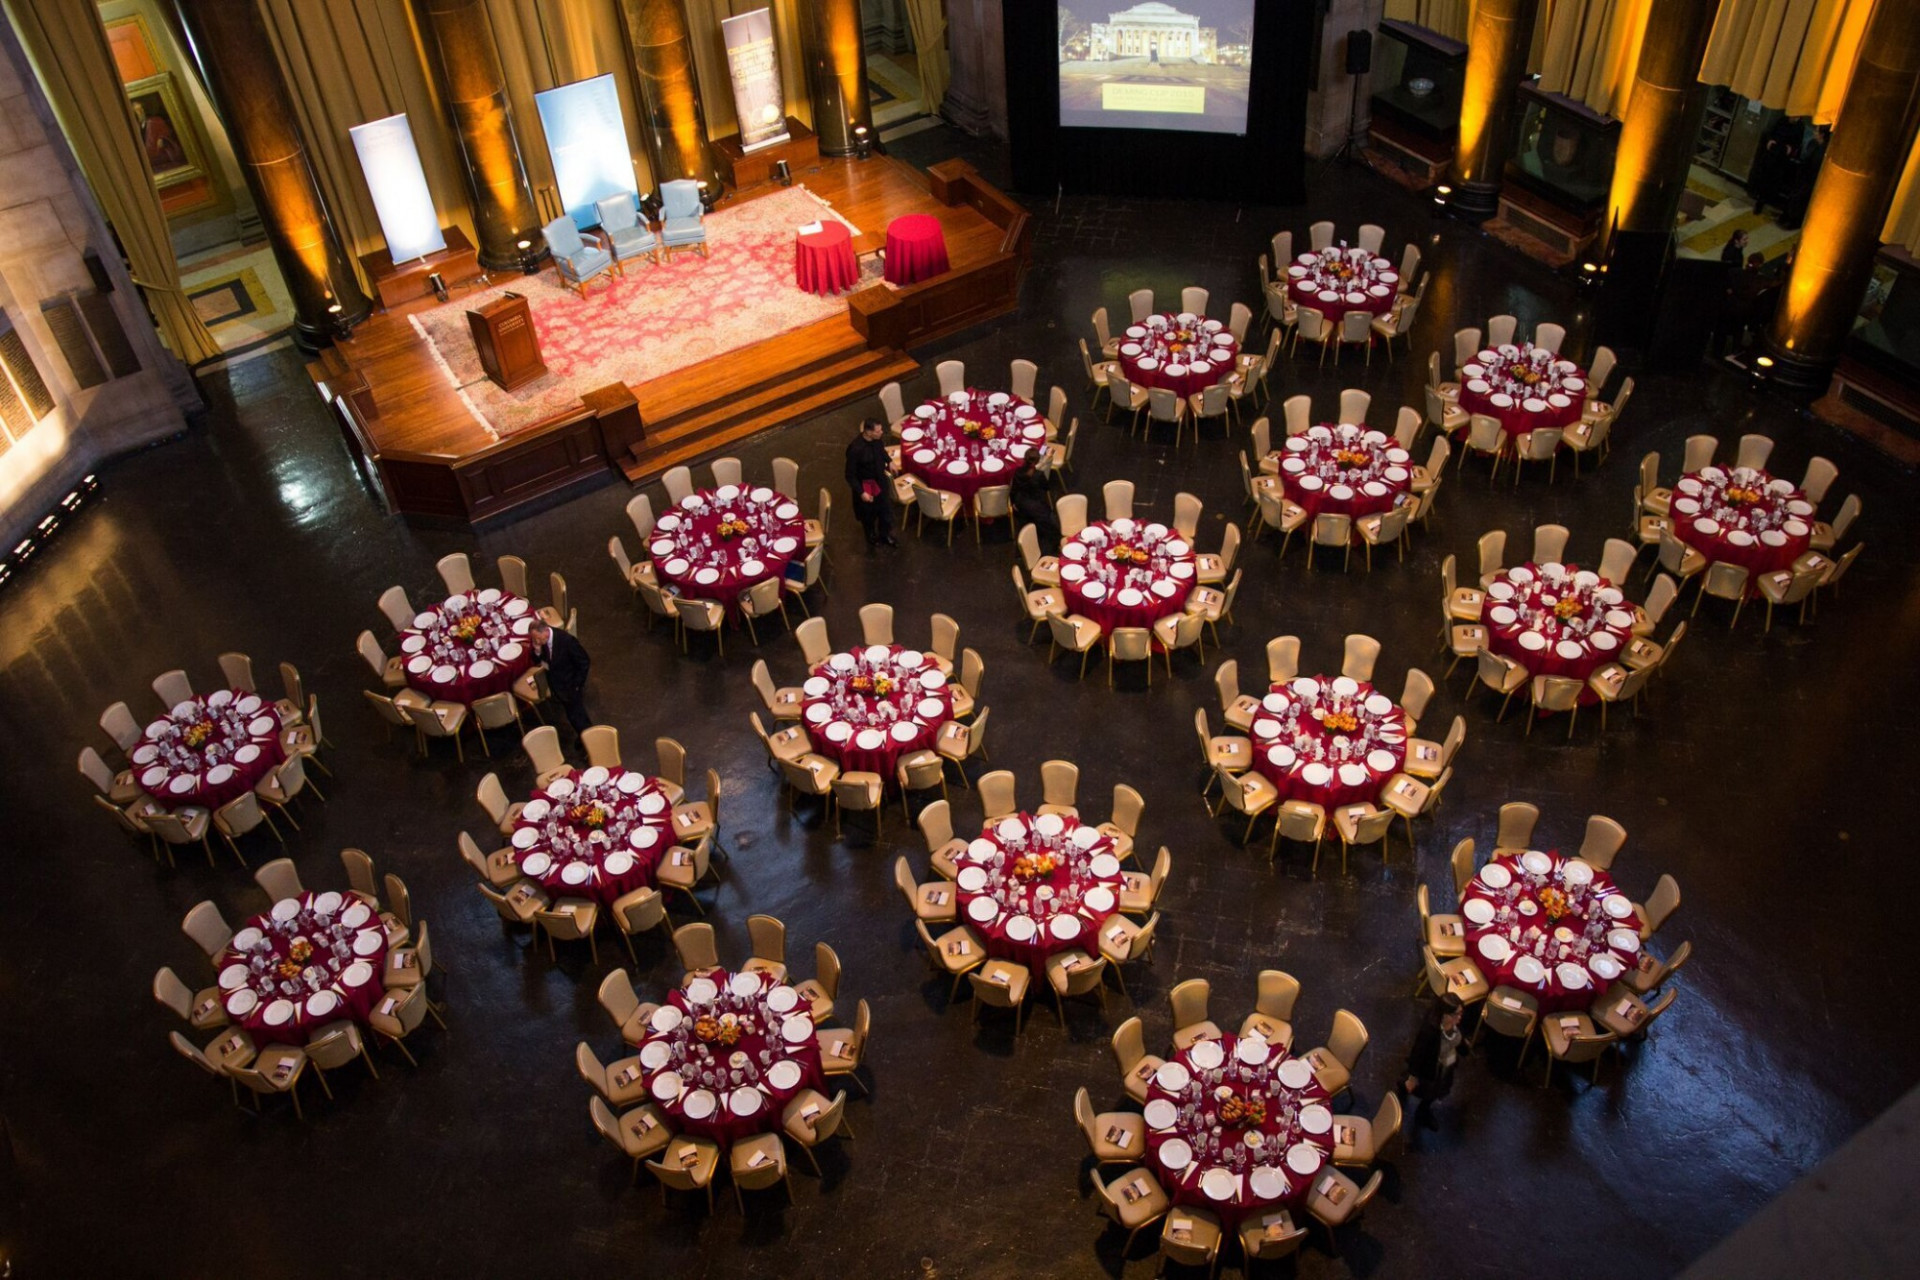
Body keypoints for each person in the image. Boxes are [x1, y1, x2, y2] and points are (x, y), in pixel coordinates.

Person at [1401, 995, 1467, 1131]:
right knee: (1426, 1089)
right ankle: (1403, 1089)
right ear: (1444, 1014)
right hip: (1431, 1068)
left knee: (1437, 1091)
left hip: (1445, 1067)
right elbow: (1418, 1054)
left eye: (1461, 1013)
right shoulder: (1430, 1031)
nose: (1459, 1017)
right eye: (1456, 1014)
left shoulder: (1454, 1025)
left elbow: (1458, 1041)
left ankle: (1423, 1111)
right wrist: (1412, 1077)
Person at [528, 618, 592, 736]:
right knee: (571, 715)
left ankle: (588, 738)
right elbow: (537, 660)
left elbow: (584, 662)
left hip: (570, 686)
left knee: (578, 716)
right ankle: (583, 735)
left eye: (537, 638)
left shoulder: (567, 641)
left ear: (546, 631)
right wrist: (537, 651)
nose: (535, 641)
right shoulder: (541, 642)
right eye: (533, 638)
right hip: (556, 684)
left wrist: (577, 685)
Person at [845, 416, 897, 547]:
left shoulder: (877, 440)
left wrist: (889, 461)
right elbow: (849, 475)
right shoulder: (855, 449)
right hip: (867, 485)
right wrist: (861, 492)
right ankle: (871, 536)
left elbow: (881, 451)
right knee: (869, 514)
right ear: (868, 432)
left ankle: (885, 535)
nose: (881, 433)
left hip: (880, 480)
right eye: (878, 431)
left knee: (885, 510)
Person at [1009, 456, 1060, 549]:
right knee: (1048, 521)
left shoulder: (1017, 473)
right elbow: (1046, 487)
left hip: (1021, 504)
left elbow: (1013, 490)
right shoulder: (1038, 475)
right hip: (1035, 504)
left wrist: (1013, 503)